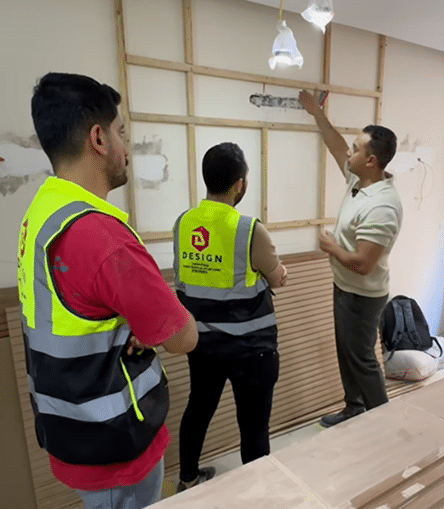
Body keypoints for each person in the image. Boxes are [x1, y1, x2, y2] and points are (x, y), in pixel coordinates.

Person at [17, 72, 198, 509]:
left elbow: (75, 311)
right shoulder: (104, 238)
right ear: (98, 138)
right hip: (115, 446)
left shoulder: (43, 211)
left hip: (69, 429)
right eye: (121, 133)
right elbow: (183, 337)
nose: (126, 148)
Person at [173, 142, 287, 492]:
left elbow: (183, 282)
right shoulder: (249, 229)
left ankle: (187, 479)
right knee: (253, 425)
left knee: (198, 409)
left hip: (203, 344)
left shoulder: (183, 223)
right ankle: (257, 494)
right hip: (251, 349)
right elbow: (277, 278)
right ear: (240, 184)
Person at [299, 90, 402, 428]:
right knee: (347, 353)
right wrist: (317, 114)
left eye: (357, 148)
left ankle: (382, 424)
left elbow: (362, 263)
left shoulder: (382, 206)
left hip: (362, 295)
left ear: (371, 161)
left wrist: (331, 248)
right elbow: (335, 146)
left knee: (362, 360)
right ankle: (354, 407)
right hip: (345, 287)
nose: (349, 152)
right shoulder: (359, 181)